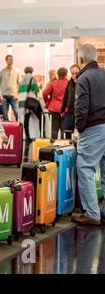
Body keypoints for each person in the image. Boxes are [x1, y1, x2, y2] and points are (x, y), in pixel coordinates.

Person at [72, 44, 105, 226]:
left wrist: (80, 128)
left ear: (81, 59)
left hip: (93, 127)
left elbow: (81, 107)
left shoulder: (84, 77)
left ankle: (92, 213)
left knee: (85, 169)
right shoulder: (104, 73)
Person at [18, 67, 43, 161]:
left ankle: (27, 135)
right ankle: (41, 134)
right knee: (40, 117)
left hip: (24, 103)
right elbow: (36, 90)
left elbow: (19, 92)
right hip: (31, 102)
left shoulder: (22, 80)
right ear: (32, 71)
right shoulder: (32, 79)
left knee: (26, 120)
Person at [42, 67, 69, 139]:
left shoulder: (52, 83)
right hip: (65, 109)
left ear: (57, 74)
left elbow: (44, 93)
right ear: (66, 74)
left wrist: (48, 101)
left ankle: (53, 147)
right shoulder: (69, 84)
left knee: (54, 129)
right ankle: (64, 147)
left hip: (54, 108)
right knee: (64, 129)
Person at [0, 55, 21, 121]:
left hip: (13, 96)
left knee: (17, 112)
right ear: (6, 60)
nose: (11, 61)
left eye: (12, 59)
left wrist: (17, 95)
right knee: (5, 114)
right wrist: (0, 96)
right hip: (4, 97)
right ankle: (6, 130)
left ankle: (19, 128)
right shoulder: (1, 72)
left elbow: (20, 84)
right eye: (9, 59)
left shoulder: (17, 71)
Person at [60, 65, 81, 139]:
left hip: (80, 111)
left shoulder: (83, 82)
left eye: (76, 73)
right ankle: (68, 148)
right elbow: (65, 96)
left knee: (79, 133)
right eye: (72, 73)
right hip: (70, 111)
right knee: (67, 130)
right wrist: (62, 109)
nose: (74, 75)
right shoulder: (69, 83)